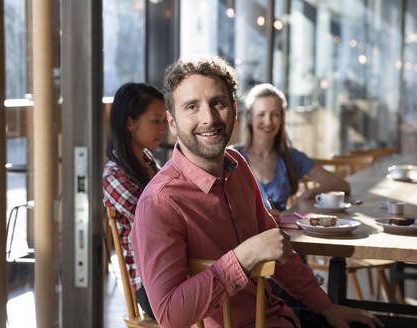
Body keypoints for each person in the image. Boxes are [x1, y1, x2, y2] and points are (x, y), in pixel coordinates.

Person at [131, 56, 383, 328]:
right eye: (192, 107)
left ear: (235, 111)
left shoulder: (238, 168)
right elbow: (169, 316)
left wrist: (327, 307)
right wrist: (243, 258)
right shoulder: (160, 202)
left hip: (277, 316)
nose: (209, 118)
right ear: (172, 122)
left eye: (218, 103)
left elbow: (279, 253)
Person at [103, 82, 167, 319]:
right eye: (155, 121)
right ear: (130, 123)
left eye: (164, 121)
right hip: (151, 286)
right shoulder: (113, 175)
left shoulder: (148, 160)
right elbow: (161, 219)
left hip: (173, 271)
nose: (163, 129)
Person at [234, 83, 350, 212]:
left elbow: (342, 185)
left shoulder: (291, 157)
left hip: (283, 230)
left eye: (275, 114)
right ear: (250, 118)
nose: (268, 121)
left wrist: (309, 193)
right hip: (247, 232)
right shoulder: (232, 157)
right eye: (261, 114)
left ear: (282, 119)